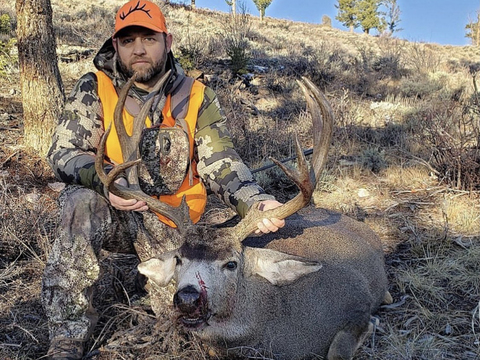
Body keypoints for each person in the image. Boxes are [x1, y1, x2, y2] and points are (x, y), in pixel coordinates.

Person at [42, 0, 285, 358]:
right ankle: (67, 335)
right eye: (128, 41)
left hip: (176, 227)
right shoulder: (95, 88)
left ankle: (140, 280)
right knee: (80, 204)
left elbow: (220, 161)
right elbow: (63, 152)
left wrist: (254, 201)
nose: (138, 48)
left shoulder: (196, 94)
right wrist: (106, 180)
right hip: (117, 212)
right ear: (115, 46)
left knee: (183, 321)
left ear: (167, 42)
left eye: (148, 38)